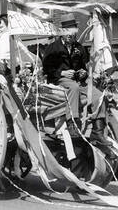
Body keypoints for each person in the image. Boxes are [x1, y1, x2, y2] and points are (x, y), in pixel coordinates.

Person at [42, 13, 111, 146]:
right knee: (73, 87)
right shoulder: (52, 48)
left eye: (72, 31)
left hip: (78, 81)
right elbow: (46, 69)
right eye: (66, 30)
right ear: (62, 32)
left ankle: (98, 131)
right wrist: (62, 72)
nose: (69, 34)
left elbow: (84, 68)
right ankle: (72, 123)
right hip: (59, 80)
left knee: (99, 95)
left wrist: (83, 73)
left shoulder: (79, 48)